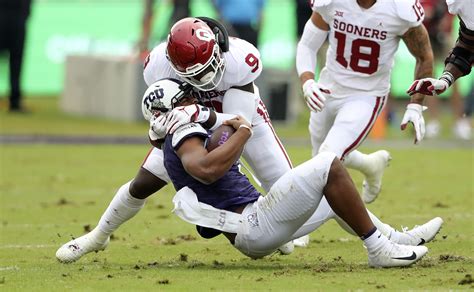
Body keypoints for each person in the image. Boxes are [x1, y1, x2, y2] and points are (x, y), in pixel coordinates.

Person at [55, 18, 442, 263]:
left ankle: (387, 237)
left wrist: (207, 121)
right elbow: (197, 144)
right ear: (173, 69)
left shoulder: (240, 60)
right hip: (193, 129)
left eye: (209, 69)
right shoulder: (159, 67)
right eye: (195, 75)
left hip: (241, 121)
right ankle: (99, 235)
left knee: (295, 183)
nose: (205, 79)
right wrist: (194, 125)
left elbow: (237, 124)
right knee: (142, 181)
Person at [152, 78, 430, 267]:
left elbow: (151, 180)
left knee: (333, 197)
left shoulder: (176, 136)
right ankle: (378, 250)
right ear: (173, 106)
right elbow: (207, 169)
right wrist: (245, 131)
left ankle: (394, 239)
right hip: (254, 226)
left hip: (253, 224)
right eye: (186, 97)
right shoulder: (183, 132)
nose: (194, 100)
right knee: (328, 164)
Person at [296, 0, 434, 206]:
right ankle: (370, 165)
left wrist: (415, 104)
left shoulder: (399, 9)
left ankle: (306, 228)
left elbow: (425, 57)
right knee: (321, 156)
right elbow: (308, 44)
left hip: (366, 95)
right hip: (329, 87)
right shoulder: (333, 3)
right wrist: (307, 81)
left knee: (325, 160)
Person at [407, 0, 473, 139]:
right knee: (430, 79)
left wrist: (445, 20)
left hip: (442, 33)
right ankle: (434, 121)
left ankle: (459, 121)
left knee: (454, 79)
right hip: (427, 32)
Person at [0, 0, 32, 112]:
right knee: (16, 61)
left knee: (16, 61)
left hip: (18, 18)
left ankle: (15, 101)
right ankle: (15, 102)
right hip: (14, 18)